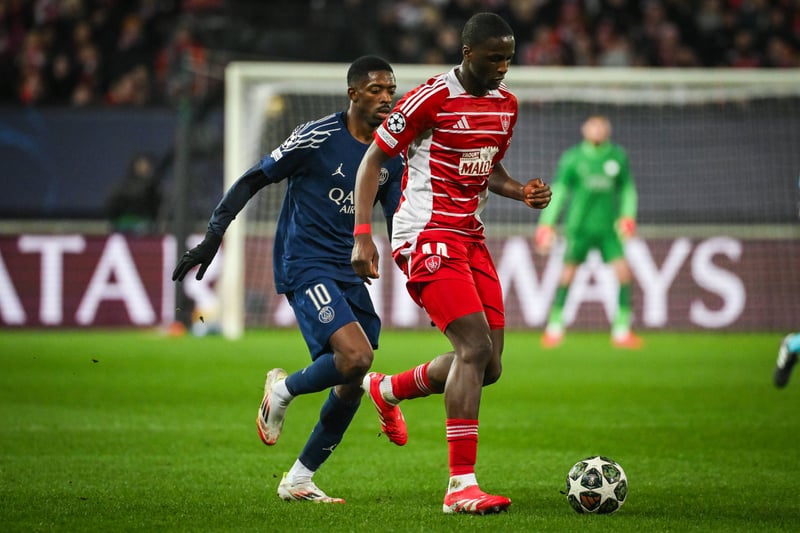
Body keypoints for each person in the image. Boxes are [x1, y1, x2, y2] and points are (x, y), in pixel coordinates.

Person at [172, 56, 404, 503]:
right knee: (357, 356)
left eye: (390, 90)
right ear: (353, 93)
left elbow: (397, 218)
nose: (386, 98)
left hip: (348, 268)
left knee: (352, 378)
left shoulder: (391, 151)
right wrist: (212, 237)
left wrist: (417, 275)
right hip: (305, 262)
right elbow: (252, 179)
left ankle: (299, 479)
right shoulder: (318, 136)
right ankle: (282, 390)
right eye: (376, 89)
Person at [351, 13, 552, 515]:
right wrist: (363, 236)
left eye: (508, 58)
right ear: (467, 53)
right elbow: (372, 160)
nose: (503, 67)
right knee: (474, 348)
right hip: (425, 235)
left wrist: (520, 190)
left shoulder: (506, 105)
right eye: (494, 58)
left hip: (470, 238)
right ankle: (461, 486)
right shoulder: (431, 97)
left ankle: (387, 389)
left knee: (489, 367)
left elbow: (487, 166)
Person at [534, 115, 643, 349]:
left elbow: (627, 189)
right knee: (567, 275)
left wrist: (628, 217)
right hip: (579, 228)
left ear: (608, 130)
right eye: (593, 126)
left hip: (608, 229)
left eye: (601, 126)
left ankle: (622, 330)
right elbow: (559, 191)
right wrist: (547, 224)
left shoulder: (617, 156)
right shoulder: (573, 158)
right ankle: (554, 327)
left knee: (624, 274)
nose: (597, 130)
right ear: (585, 130)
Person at [106, 152, 162, 235]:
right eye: (140, 164)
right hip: (122, 227)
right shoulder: (122, 187)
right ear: (134, 166)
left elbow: (157, 210)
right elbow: (111, 208)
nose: (144, 167)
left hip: (146, 227)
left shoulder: (155, 188)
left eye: (146, 165)